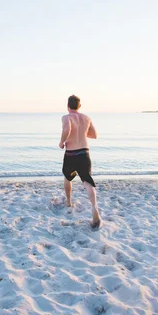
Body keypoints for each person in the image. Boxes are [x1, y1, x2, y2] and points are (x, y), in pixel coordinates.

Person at [59, 95, 101, 228]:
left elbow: (67, 129)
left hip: (71, 154)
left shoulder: (66, 117)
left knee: (67, 177)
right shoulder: (86, 118)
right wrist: (82, 132)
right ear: (80, 106)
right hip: (84, 153)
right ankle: (94, 208)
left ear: (67, 106)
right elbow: (94, 135)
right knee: (87, 181)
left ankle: (69, 201)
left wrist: (61, 142)